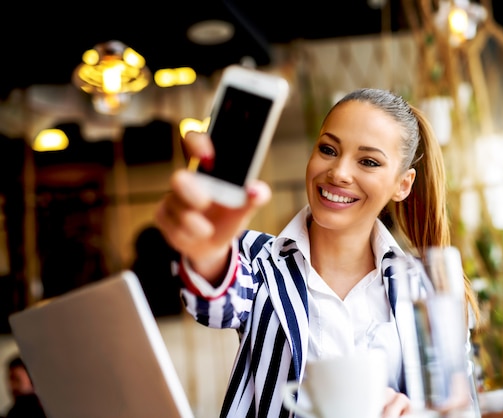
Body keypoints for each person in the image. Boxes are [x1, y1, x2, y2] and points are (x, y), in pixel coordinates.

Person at [155, 87, 479, 417]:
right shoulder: (257, 258)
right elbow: (217, 302)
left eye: (368, 161)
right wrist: (206, 250)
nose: (338, 173)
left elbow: (461, 410)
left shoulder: (426, 288)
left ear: (402, 185)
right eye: (328, 149)